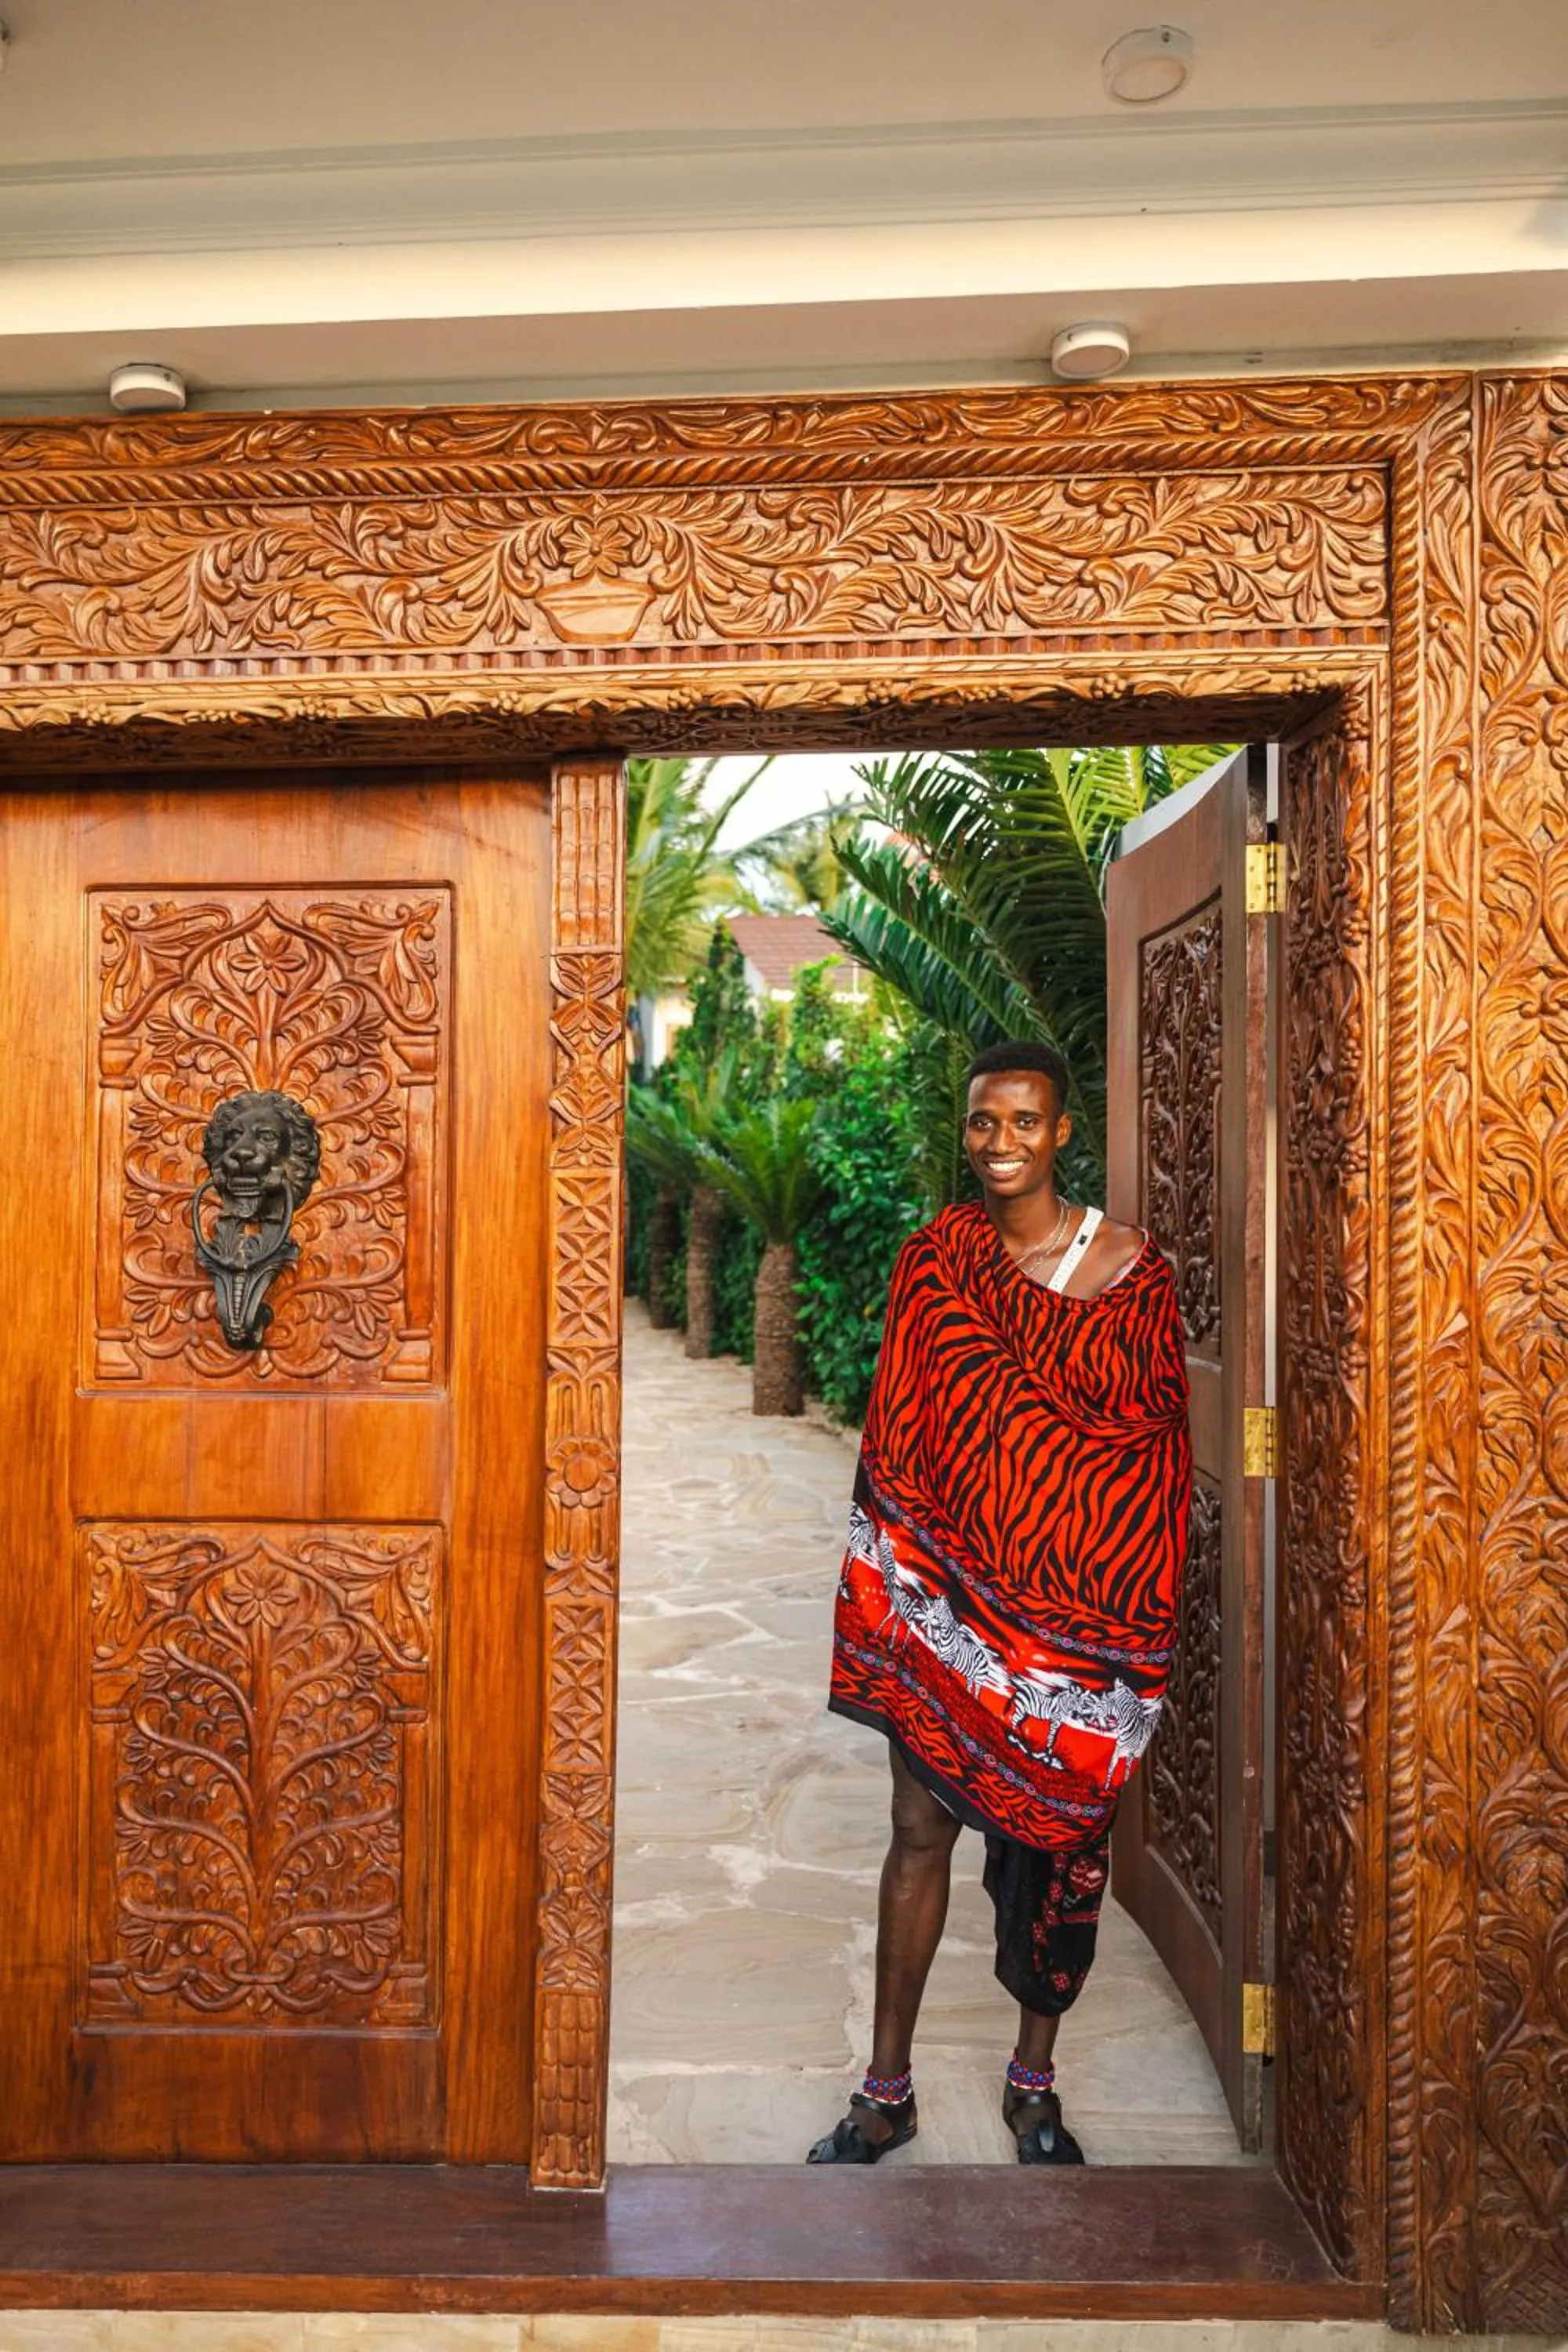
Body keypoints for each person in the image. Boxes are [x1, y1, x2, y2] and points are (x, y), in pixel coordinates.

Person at [807, 1040, 1192, 2166]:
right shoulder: (937, 1263)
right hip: (950, 1609)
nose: (1002, 1143)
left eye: (1024, 1121)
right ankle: (887, 2091)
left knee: (1062, 1854)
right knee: (916, 1829)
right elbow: (906, 1431)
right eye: (984, 1122)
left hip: (1079, 1628)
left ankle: (1035, 2085)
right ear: (964, 1128)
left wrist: (1119, 1628)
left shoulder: (1134, 1272)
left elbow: (1149, 1457)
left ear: (1061, 1131)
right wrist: (915, 1590)